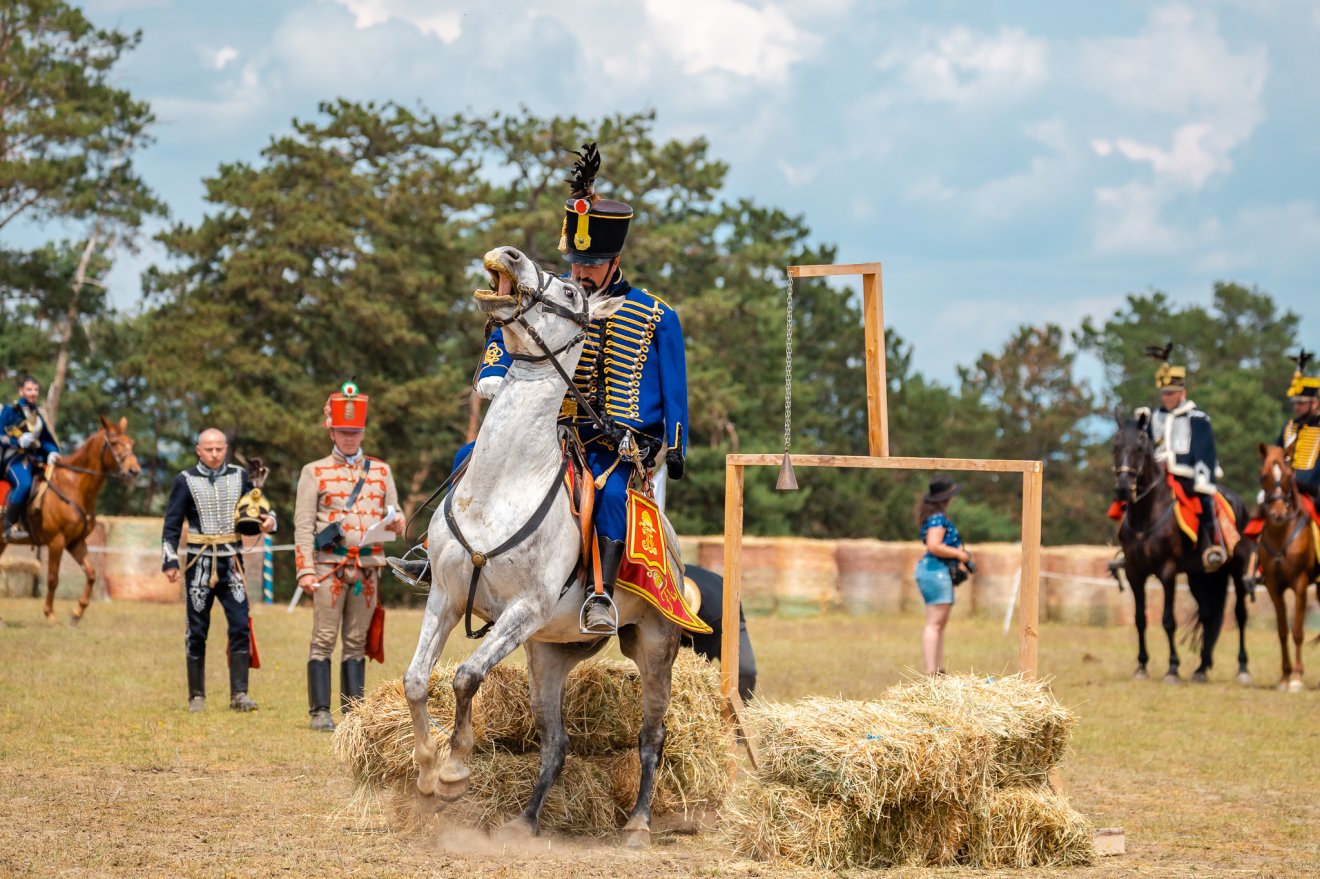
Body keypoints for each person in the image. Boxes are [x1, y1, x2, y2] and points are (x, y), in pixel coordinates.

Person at [391, 143, 688, 636]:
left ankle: (599, 596)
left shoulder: (657, 314)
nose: (579, 272)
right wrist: (493, 364)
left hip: (613, 447)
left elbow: (673, 390)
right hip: (548, 430)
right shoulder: (559, 300)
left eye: (590, 263)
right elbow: (506, 326)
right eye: (574, 261)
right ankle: (434, 557)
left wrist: (666, 447)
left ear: (614, 259)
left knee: (609, 494)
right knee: (469, 454)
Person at [294, 382, 403, 732]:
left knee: (356, 642)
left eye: (355, 432)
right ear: (332, 430)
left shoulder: (382, 471)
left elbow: (394, 514)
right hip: (329, 568)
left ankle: (353, 714)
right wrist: (304, 571)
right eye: (343, 432)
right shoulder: (314, 471)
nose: (349, 438)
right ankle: (320, 711)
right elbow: (302, 526)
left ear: (363, 432)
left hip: (369, 568)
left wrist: (398, 521)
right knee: (323, 638)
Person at [161, 428, 276, 713]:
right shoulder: (184, 481)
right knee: (197, 629)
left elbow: (259, 505)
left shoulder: (240, 477)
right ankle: (196, 695)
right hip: (199, 563)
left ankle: (240, 694)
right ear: (198, 449)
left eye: (219, 449)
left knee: (240, 626)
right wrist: (170, 561)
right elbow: (171, 525)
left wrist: (270, 520)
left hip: (232, 563)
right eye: (209, 449)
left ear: (225, 449)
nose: (214, 454)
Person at [1135, 349, 1226, 570]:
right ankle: (1129, 548)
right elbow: (1144, 446)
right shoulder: (1155, 416)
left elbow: (1203, 453)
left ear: (1182, 393)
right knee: (1132, 499)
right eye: (1164, 393)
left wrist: (1200, 480)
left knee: (1205, 502)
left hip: (1188, 475)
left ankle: (1210, 546)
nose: (1166, 398)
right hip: (1159, 475)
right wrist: (1140, 425)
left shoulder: (1197, 418)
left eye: (1171, 393)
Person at [913, 476, 971, 677]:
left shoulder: (935, 516)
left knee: (938, 624)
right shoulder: (938, 518)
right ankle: (932, 672)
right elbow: (934, 545)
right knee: (935, 623)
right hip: (935, 571)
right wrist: (959, 554)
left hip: (934, 570)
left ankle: (937, 670)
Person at [679, 564, 756, 701]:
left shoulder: (713, 615)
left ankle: (738, 713)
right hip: (679, 611)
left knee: (745, 670)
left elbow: (699, 664)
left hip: (727, 616)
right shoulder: (670, 580)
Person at [0, 374, 62, 540]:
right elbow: (0, 436)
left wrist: (52, 452)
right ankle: (8, 527)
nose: (33, 393)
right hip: (13, 458)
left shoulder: (38, 415)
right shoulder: (10, 410)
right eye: (29, 389)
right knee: (24, 483)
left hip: (35, 459)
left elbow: (46, 440)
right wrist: (18, 440)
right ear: (21, 391)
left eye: (35, 389)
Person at [1277, 351, 1320, 501]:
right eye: (1295, 403)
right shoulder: (1288, 427)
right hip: (1284, 490)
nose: (1297, 407)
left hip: (1314, 494)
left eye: (1301, 403)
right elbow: (1277, 456)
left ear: (1314, 403)